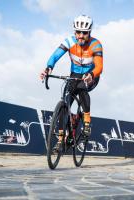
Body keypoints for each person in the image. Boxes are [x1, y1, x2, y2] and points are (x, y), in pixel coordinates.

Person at [40, 14, 103, 145]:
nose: (80, 36)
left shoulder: (95, 44)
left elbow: (99, 67)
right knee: (65, 102)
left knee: (81, 88)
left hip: (91, 75)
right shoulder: (69, 41)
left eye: (84, 33)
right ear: (74, 31)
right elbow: (55, 55)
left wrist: (92, 74)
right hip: (74, 74)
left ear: (89, 32)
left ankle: (86, 120)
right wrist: (49, 67)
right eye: (78, 32)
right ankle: (61, 137)